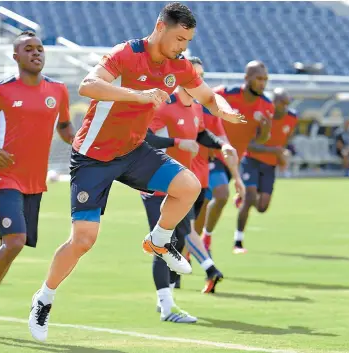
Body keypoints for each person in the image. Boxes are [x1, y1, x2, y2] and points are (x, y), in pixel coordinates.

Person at [28, 2, 246, 342]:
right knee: (83, 240)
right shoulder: (125, 54)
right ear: (160, 26)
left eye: (187, 42)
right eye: (178, 39)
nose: (181, 48)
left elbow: (207, 96)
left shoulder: (180, 66)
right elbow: (87, 86)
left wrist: (228, 111)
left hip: (133, 151)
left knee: (187, 187)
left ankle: (158, 240)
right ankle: (44, 298)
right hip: (93, 157)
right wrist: (138, 95)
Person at [0, 31, 75, 336]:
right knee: (15, 241)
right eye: (29, 49)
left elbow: (64, 126)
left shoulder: (59, 90)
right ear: (16, 56)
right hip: (4, 175)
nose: (36, 53)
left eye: (39, 49)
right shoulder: (0, 89)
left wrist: (82, 145)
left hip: (35, 181)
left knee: (11, 245)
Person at [142, 57, 237, 324]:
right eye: (195, 76)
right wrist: (177, 142)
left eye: (202, 76)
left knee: (180, 240)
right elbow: (144, 136)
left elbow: (203, 135)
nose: (200, 82)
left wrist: (222, 146)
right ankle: (168, 306)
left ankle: (167, 301)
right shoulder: (164, 106)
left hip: (180, 188)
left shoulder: (195, 108)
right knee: (164, 244)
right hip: (156, 184)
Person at [201, 60, 274, 255]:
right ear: (246, 78)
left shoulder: (267, 105)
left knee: (208, 201)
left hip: (233, 160)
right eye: (258, 78)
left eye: (265, 79)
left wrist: (266, 129)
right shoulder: (226, 93)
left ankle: (196, 241)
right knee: (220, 195)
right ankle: (204, 239)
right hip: (212, 153)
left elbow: (261, 139)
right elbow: (202, 104)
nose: (262, 83)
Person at [233, 88, 298, 250]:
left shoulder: (292, 118)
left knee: (262, 207)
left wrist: (283, 154)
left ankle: (244, 195)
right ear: (273, 102)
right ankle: (238, 241)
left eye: (287, 103)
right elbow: (249, 144)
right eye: (281, 103)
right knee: (250, 198)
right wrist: (274, 150)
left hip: (270, 165)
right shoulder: (262, 116)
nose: (284, 107)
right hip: (251, 160)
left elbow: (285, 139)